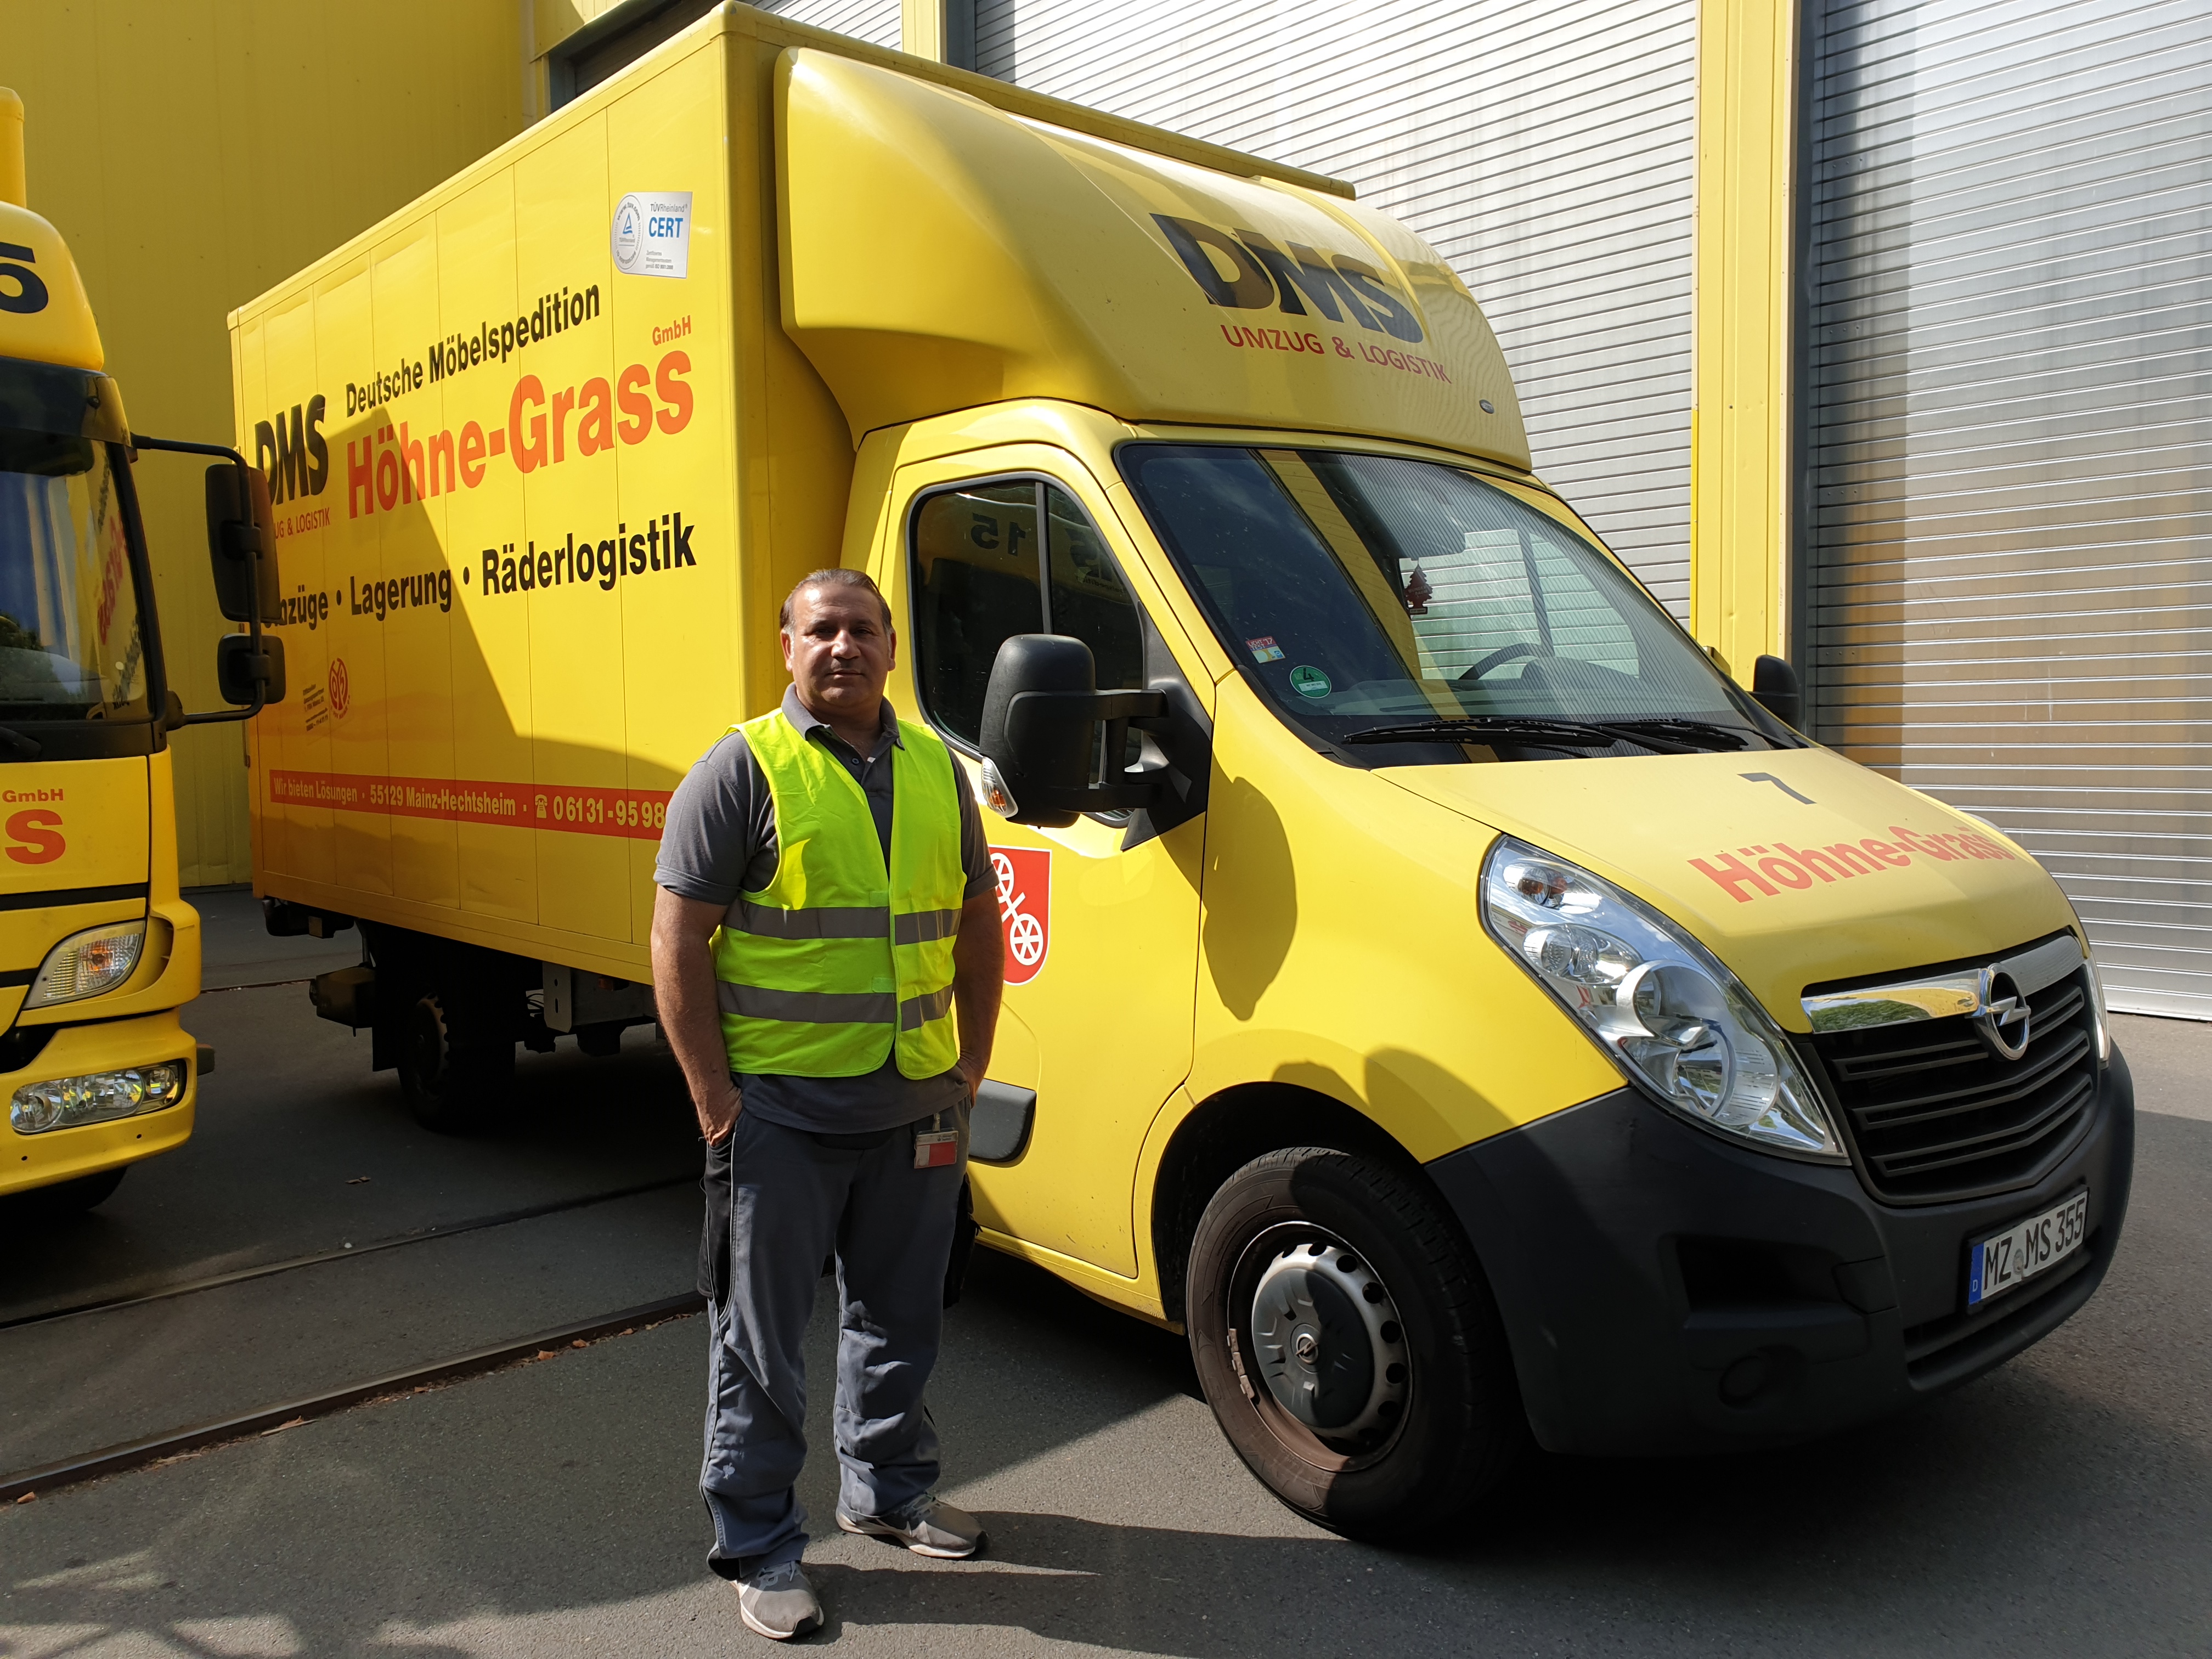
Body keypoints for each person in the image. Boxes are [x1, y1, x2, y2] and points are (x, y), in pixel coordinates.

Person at [651, 567, 1005, 1641]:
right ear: (788, 648)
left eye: (862, 629)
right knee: (760, 1347)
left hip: (917, 1106)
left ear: (892, 647)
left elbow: (975, 922)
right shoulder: (741, 768)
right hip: (782, 1117)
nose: (843, 646)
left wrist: (971, 1066)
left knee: (902, 1316)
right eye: (822, 631)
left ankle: (889, 1492)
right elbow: (677, 939)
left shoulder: (938, 769)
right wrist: (717, 1103)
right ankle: (760, 1544)